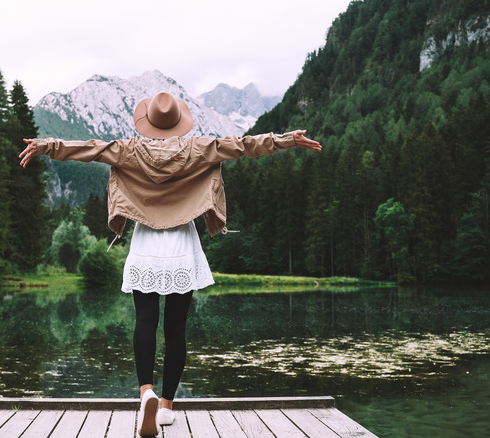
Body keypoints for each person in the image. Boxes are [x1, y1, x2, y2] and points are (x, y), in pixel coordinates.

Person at [19, 91, 321, 437]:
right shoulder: (198, 148)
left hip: (146, 242)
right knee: (176, 330)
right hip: (182, 242)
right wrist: (285, 140)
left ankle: (145, 390)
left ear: (148, 123)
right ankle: (165, 408)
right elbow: (243, 145)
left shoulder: (129, 149)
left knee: (145, 321)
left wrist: (47, 146)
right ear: (179, 122)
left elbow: (89, 149)